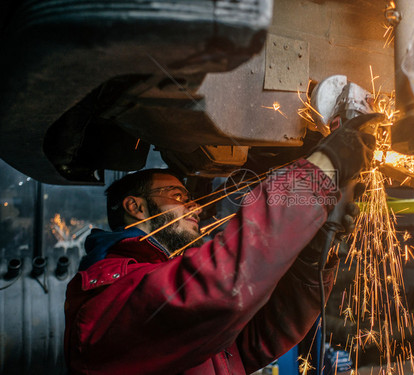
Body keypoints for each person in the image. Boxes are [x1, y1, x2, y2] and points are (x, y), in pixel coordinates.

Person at [64, 114, 379, 374]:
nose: (196, 208)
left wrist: (310, 257)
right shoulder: (106, 293)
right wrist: (321, 169)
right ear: (135, 207)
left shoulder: (169, 282)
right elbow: (218, 288)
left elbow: (258, 340)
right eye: (177, 197)